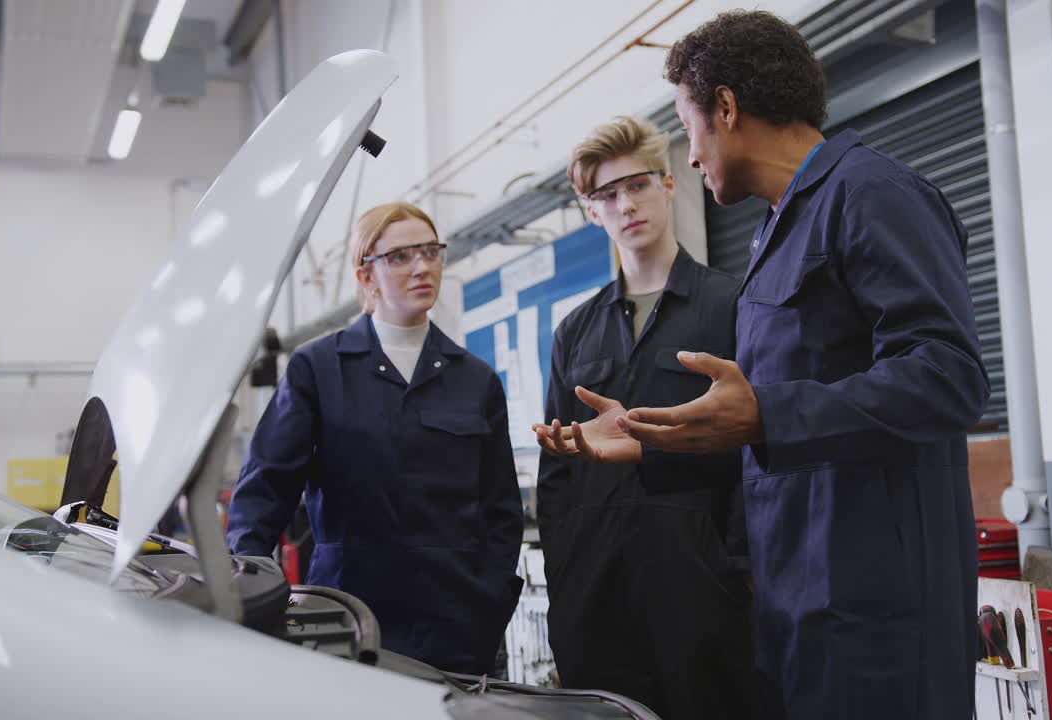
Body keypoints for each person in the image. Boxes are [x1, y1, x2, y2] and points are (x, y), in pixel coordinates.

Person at [538, 11, 990, 719]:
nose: (690, 159)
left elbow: (949, 377)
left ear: (725, 107)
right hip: (799, 609)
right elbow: (770, 440)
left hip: (877, 618)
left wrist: (766, 413)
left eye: (689, 132)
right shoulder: (778, 233)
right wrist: (658, 444)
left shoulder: (871, 195)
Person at [226, 202, 524, 676]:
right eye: (400, 256)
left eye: (430, 251)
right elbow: (264, 491)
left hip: (458, 626)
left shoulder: (475, 380)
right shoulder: (318, 371)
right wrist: (249, 595)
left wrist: (488, 600)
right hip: (348, 620)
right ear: (366, 275)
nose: (422, 266)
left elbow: (501, 510)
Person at [532, 116, 760, 719]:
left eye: (636, 186)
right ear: (591, 214)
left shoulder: (731, 304)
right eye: (606, 196)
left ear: (668, 185)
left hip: (703, 593)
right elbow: (557, 475)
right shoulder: (574, 333)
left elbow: (759, 448)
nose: (625, 204)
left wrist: (737, 569)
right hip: (598, 599)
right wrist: (567, 577)